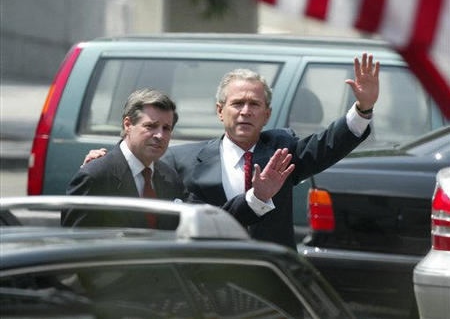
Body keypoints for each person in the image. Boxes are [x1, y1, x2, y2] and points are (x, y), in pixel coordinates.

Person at [83, 53, 379, 249]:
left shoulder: (281, 151)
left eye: (255, 105)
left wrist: (363, 108)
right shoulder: (182, 160)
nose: (245, 112)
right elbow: (142, 174)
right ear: (220, 111)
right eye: (237, 104)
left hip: (270, 277)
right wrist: (107, 163)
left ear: (267, 114)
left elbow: (328, 145)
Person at [61, 88, 187, 228]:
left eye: (166, 128)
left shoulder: (170, 178)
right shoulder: (96, 176)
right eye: (151, 126)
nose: (160, 135)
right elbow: (76, 242)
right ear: (128, 125)